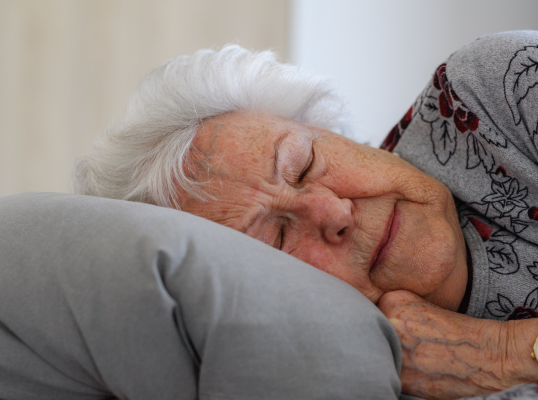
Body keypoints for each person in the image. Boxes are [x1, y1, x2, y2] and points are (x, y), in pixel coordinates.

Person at [74, 31, 538, 399]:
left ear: (330, 130)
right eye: (277, 241)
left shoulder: (494, 100)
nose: (333, 212)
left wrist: (497, 357)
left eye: (306, 164)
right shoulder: (349, 381)